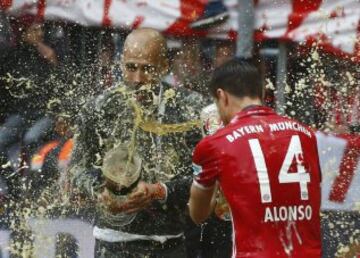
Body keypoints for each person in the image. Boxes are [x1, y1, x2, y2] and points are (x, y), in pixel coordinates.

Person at [69, 28, 204, 257]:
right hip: (112, 242)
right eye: (131, 67)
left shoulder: (189, 108)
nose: (138, 78)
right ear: (121, 64)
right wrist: (99, 190)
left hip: (170, 241)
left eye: (147, 68)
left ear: (164, 66)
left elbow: (206, 176)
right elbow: (76, 169)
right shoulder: (99, 107)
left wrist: (160, 191)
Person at [188, 59, 322, 258]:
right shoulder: (306, 134)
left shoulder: (215, 144)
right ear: (260, 92)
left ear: (221, 96)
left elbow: (198, 214)